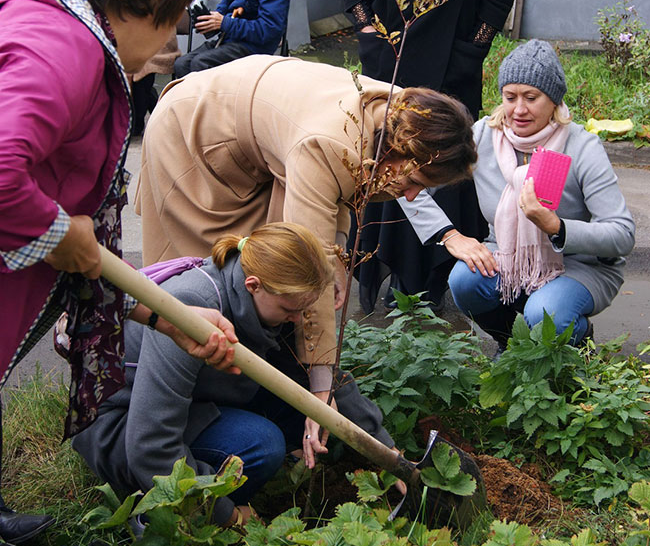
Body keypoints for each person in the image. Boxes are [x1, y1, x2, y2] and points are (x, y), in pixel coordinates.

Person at [0, 0, 237, 544]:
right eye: (172, 20)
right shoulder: (66, 47)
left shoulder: (49, 22)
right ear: (143, 3)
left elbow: (85, 247)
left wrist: (161, 314)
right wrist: (55, 233)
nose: (170, 42)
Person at [135, 53, 478, 441]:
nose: (413, 196)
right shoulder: (331, 141)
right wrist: (321, 388)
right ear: (401, 150)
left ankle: (258, 405)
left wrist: (337, 263)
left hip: (264, 149)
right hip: (196, 137)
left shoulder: (408, 116)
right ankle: (182, 429)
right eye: (415, 181)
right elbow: (307, 270)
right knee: (220, 291)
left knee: (273, 291)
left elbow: (339, 196)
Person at [73, 222, 401, 528]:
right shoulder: (191, 308)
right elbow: (150, 445)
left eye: (304, 310)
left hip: (195, 401)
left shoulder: (268, 298)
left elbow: (321, 379)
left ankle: (222, 476)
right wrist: (228, 515)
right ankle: (160, 512)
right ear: (253, 285)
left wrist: (391, 455)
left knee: (319, 415)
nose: (298, 321)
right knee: (261, 443)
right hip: (122, 426)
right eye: (291, 312)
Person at [337, 0, 518, 312]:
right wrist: (369, 31)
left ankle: (444, 281)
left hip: (453, 74)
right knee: (385, 166)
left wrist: (471, 50)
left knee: (445, 168)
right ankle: (377, 273)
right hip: (387, 69)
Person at [420, 40, 635, 349]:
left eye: (531, 98)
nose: (519, 109)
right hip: (505, 253)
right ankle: (514, 347)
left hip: (579, 265)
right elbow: (411, 183)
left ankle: (573, 345)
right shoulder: (482, 136)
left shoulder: (582, 147)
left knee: (546, 313)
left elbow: (622, 235)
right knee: (464, 282)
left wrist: (556, 227)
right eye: (510, 97)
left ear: (554, 100)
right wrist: (448, 235)